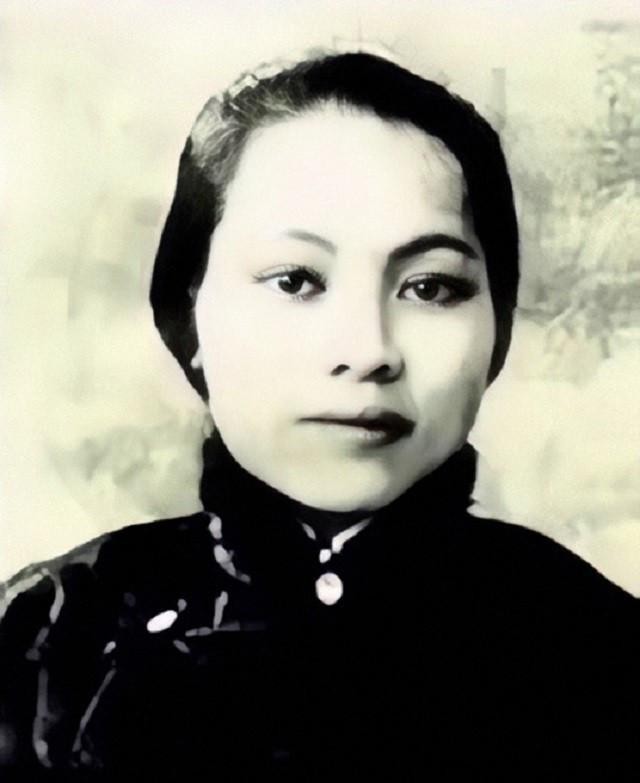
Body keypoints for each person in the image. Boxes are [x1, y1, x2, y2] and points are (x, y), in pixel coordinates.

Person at [0, 50, 638, 781]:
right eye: (296, 280)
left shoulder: (601, 651)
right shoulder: (45, 639)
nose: (368, 351)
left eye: (430, 287)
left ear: (497, 329)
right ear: (189, 316)